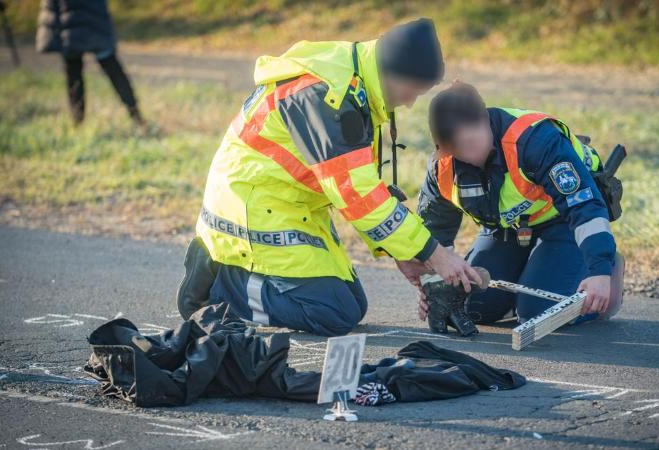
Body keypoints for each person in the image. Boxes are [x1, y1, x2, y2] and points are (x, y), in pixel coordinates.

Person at [176, 19, 481, 336]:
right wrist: (435, 253)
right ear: (391, 72)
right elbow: (359, 198)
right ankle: (217, 289)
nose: (409, 102)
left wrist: (402, 254)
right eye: (411, 91)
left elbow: (363, 190)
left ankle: (229, 277)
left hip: (289, 204)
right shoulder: (329, 97)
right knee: (333, 314)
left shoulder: (355, 79)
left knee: (351, 303)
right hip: (250, 208)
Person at [404, 81, 624, 325]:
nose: (468, 155)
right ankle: (526, 282)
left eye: (472, 143)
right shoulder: (442, 167)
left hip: (564, 222)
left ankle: (607, 274)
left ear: (485, 119)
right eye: (457, 149)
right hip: (508, 228)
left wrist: (600, 271)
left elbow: (583, 206)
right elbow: (435, 234)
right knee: (472, 306)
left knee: (539, 313)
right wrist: (432, 289)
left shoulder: (535, 141)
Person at [36, 0, 143, 126]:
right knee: (80, 71)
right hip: (82, 17)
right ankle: (135, 116)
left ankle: (135, 116)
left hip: (76, 17)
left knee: (84, 70)